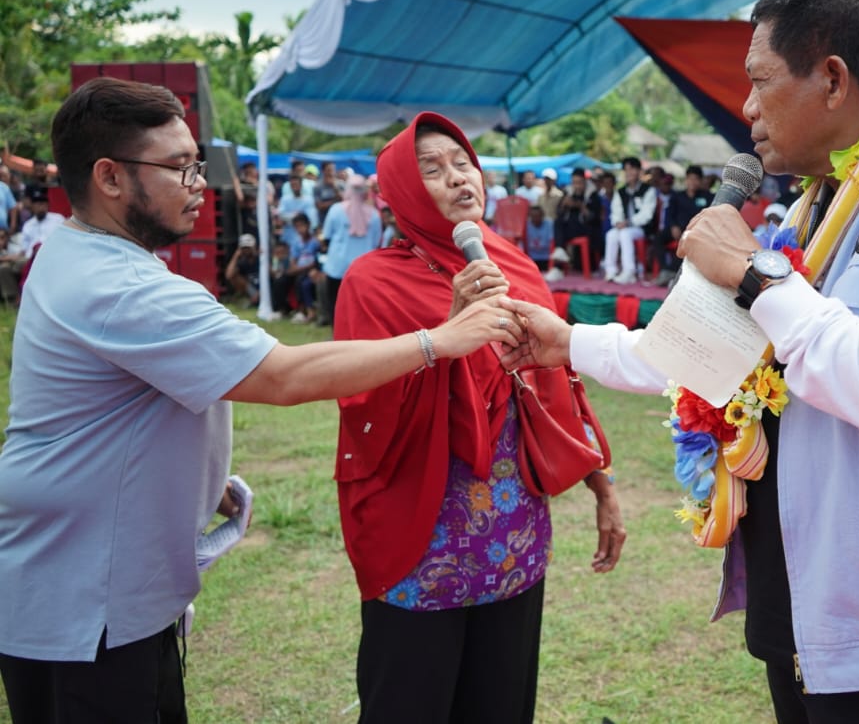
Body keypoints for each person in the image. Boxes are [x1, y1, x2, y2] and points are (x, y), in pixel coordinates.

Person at [505, 0, 859, 723]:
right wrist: (566, 342)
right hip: (806, 598)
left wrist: (757, 273)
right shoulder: (814, 204)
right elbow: (704, 350)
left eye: (759, 81)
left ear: (832, 80)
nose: (746, 109)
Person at [0, 78, 525, 724]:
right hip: (85, 605)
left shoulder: (79, 250)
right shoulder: (120, 285)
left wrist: (192, 475)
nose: (200, 183)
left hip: (95, 581)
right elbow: (283, 374)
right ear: (109, 177)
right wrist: (439, 340)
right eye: (179, 166)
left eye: (198, 164)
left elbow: (114, 403)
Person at [333, 112, 625, 723]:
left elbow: (554, 388)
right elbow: (366, 408)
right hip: (421, 544)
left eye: (463, 162)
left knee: (501, 702)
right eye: (432, 170)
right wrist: (446, 332)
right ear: (403, 194)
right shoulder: (371, 283)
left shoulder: (510, 264)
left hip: (512, 543)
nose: (459, 179)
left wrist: (601, 480)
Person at [318, 174, 382, 327]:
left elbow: (326, 235)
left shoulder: (336, 210)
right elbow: (376, 242)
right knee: (358, 306)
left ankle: (337, 334)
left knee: (335, 304)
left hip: (336, 267)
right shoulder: (374, 215)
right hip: (363, 269)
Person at [602, 157, 655, 284]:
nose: (629, 173)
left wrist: (629, 222)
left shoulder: (648, 190)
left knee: (625, 234)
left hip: (642, 228)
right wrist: (618, 222)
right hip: (624, 227)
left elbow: (647, 214)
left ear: (639, 172)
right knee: (611, 234)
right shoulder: (620, 192)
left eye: (632, 169)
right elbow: (616, 212)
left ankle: (629, 271)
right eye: (626, 170)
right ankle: (611, 271)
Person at [19, 186, 65, 260]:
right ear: (33, 206)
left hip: (52, 256)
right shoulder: (28, 225)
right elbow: (24, 249)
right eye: (38, 204)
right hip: (30, 259)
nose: (41, 206)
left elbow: (64, 241)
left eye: (44, 203)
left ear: (47, 205)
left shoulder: (58, 219)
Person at [525, 204, 554, 270]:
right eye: (533, 216)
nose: (536, 218)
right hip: (531, 258)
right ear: (530, 216)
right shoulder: (525, 225)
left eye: (538, 216)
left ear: (542, 216)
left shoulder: (549, 224)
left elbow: (552, 240)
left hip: (547, 257)